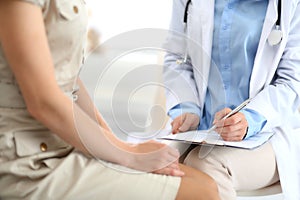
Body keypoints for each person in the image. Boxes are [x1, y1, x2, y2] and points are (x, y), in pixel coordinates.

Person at [0, 0, 220, 199]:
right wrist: (129, 154)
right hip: (29, 163)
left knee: (204, 182)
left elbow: (70, 81)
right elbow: (44, 101)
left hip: (65, 144)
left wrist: (116, 146)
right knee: (201, 193)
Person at [163, 0, 300, 199]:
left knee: (205, 165)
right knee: (162, 164)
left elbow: (292, 82)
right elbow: (177, 59)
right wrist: (187, 108)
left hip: (270, 133)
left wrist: (250, 119)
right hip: (202, 129)